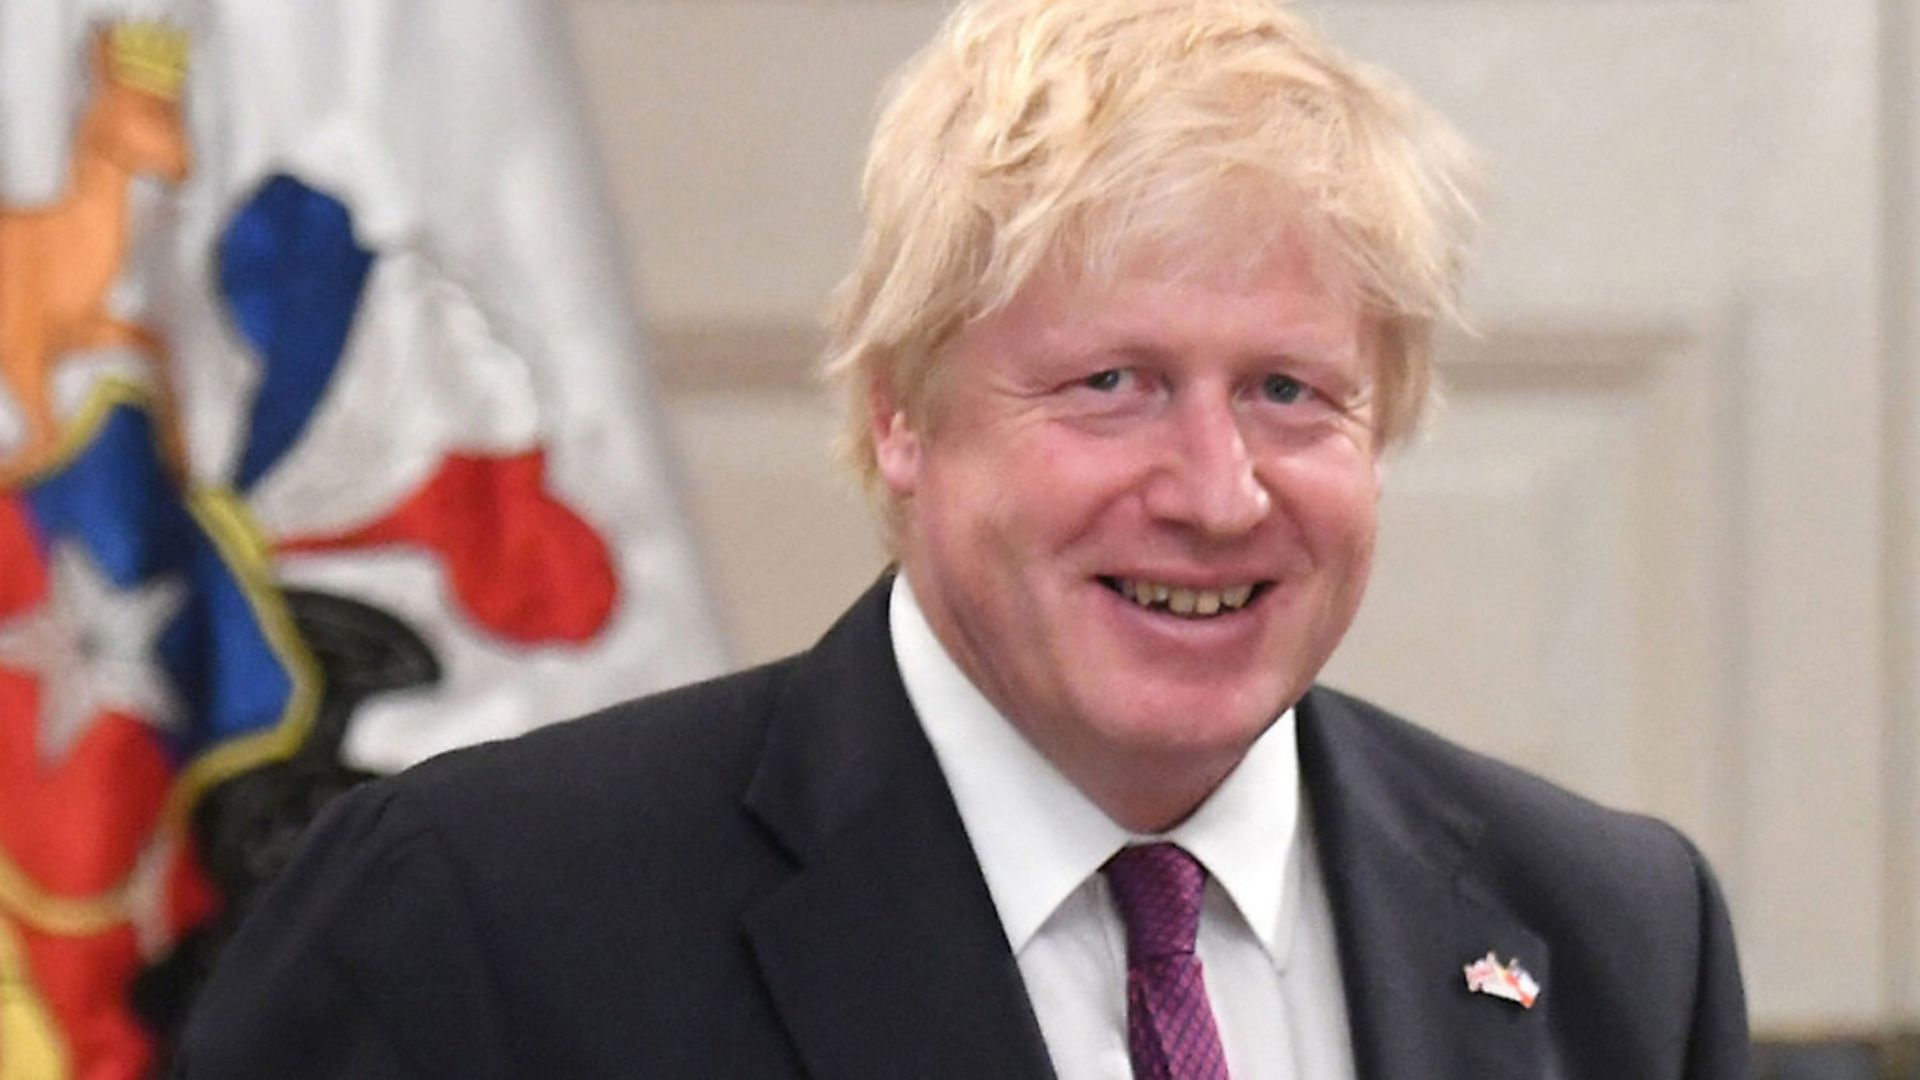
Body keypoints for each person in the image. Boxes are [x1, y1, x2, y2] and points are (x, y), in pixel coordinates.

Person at [175, 0, 1751, 1076]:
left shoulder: (1612, 939)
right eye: (1112, 385)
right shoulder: (484, 914)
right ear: (898, 419)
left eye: (1290, 391)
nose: (1216, 489)